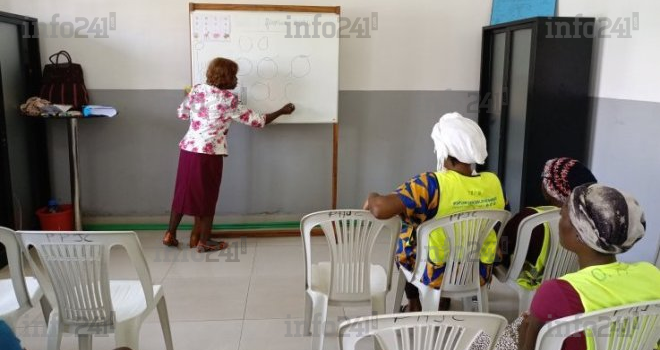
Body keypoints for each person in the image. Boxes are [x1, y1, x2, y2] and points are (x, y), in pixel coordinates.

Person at [363, 112, 506, 312]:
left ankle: (414, 304)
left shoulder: (431, 184)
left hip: (436, 272)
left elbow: (379, 209)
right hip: (477, 271)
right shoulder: (493, 182)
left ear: (444, 150)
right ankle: (445, 301)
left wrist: (372, 196)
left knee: (407, 233)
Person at [494, 184, 660, 350]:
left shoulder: (557, 291)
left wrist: (524, 335)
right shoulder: (651, 274)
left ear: (580, 233)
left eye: (565, 212)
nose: (559, 213)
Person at [162, 57, 295, 252]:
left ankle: (170, 234)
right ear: (225, 77)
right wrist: (282, 111)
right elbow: (258, 121)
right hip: (208, 155)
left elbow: (181, 114)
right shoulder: (229, 100)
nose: (237, 80)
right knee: (207, 196)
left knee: (182, 192)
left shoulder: (197, 90)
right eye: (234, 76)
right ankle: (205, 241)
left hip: (188, 150)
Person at [499, 157, 597, 289]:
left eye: (544, 179)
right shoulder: (591, 219)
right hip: (570, 279)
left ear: (552, 188)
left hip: (531, 281)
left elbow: (504, 249)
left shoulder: (530, 218)